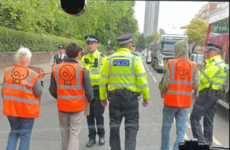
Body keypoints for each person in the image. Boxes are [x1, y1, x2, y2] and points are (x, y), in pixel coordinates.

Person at [99, 33, 150, 150]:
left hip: (114, 99)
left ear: (120, 45)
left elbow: (103, 81)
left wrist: (103, 97)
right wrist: (146, 98)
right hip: (131, 100)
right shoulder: (135, 60)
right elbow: (143, 81)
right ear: (129, 45)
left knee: (114, 127)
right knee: (131, 129)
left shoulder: (109, 59)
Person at [49, 42, 93, 150]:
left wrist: (60, 97)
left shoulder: (55, 68)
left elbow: (52, 90)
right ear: (78, 54)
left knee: (64, 134)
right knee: (74, 134)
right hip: (77, 107)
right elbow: (89, 92)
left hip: (62, 106)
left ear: (66, 53)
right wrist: (87, 100)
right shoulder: (82, 70)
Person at [159, 40, 200, 150]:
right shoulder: (194, 65)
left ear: (176, 50)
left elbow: (164, 83)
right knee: (181, 132)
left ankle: (164, 148)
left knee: (166, 128)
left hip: (170, 102)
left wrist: (162, 91)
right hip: (185, 103)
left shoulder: (170, 63)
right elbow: (196, 85)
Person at [1, 47, 45, 150]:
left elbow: (3, 92)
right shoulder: (33, 75)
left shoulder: (8, 72)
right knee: (25, 135)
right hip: (27, 111)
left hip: (11, 110)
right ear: (29, 60)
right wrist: (41, 79)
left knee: (14, 131)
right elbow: (39, 92)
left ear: (17, 58)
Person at [190, 43, 227, 145]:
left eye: (208, 52)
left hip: (206, 94)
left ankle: (201, 142)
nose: (207, 54)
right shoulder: (222, 64)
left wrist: (197, 72)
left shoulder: (214, 64)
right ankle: (208, 142)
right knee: (208, 120)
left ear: (214, 52)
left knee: (194, 117)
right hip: (215, 94)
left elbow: (202, 79)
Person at [80, 35, 107, 147]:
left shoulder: (103, 58)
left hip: (98, 91)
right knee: (89, 116)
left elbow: (106, 77)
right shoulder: (83, 58)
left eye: (92, 43)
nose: (89, 46)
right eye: (88, 44)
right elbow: (80, 75)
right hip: (87, 92)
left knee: (98, 115)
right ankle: (91, 137)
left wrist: (106, 94)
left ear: (96, 44)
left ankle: (101, 136)